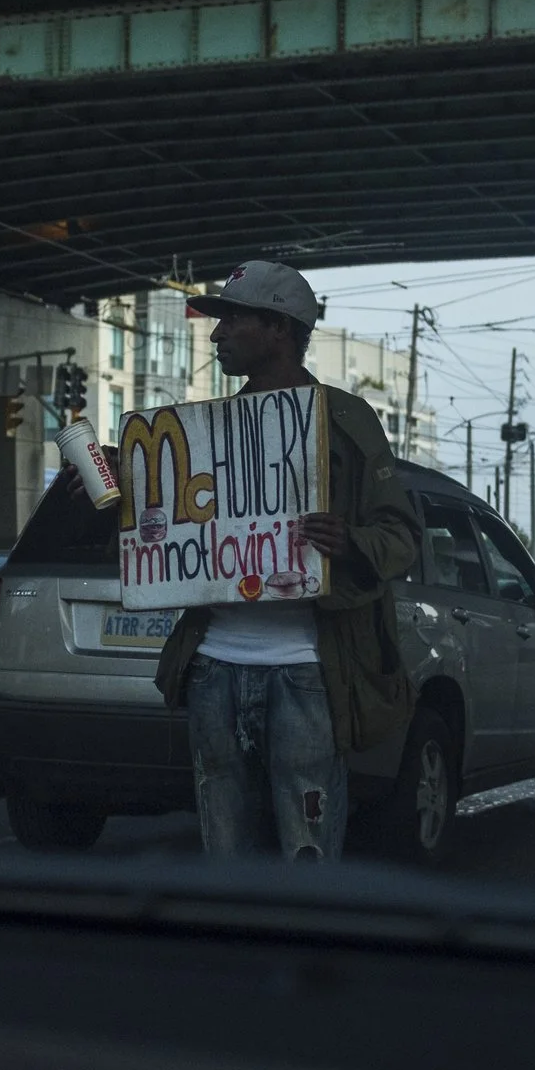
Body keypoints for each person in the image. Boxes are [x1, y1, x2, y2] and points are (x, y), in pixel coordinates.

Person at [153, 261, 422, 860]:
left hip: (308, 667)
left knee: (309, 849)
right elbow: (165, 528)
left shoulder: (347, 420)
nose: (217, 334)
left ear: (278, 328)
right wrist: (112, 492)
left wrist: (350, 539)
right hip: (213, 665)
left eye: (232, 319)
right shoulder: (206, 428)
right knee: (224, 849)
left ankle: (304, 952)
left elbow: (401, 534)